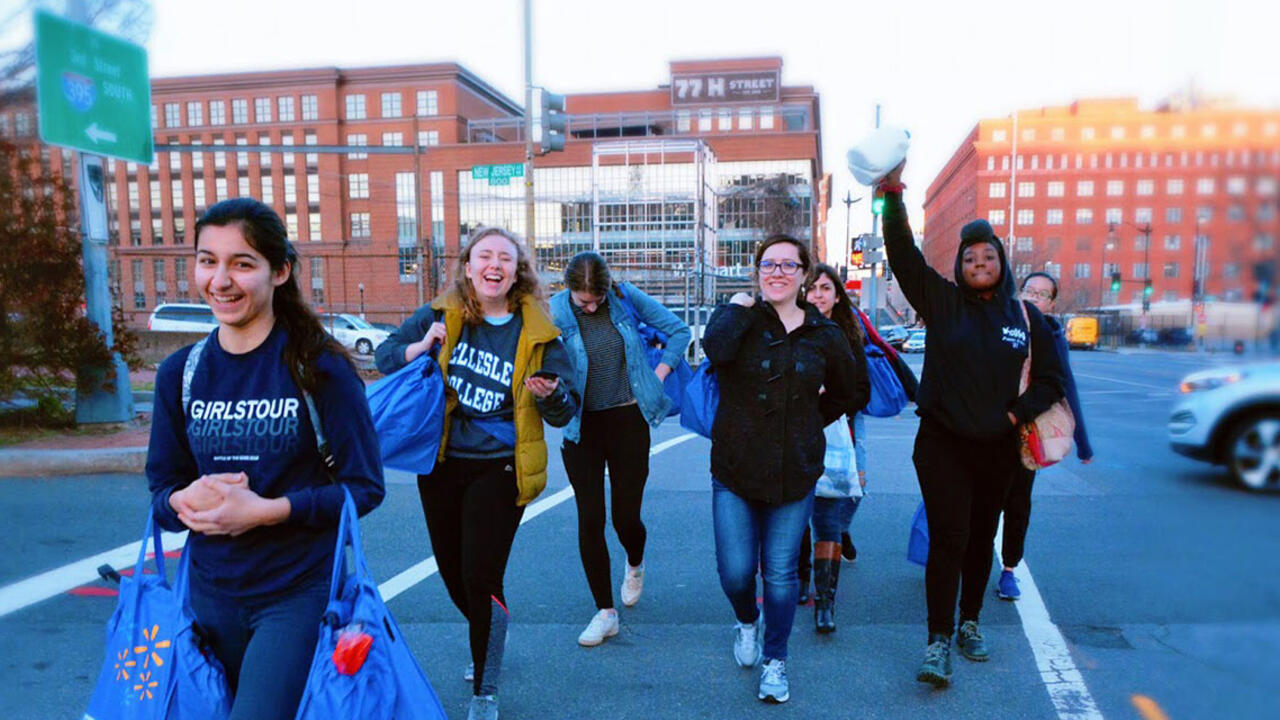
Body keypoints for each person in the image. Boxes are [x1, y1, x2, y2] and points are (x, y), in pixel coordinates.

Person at [146, 198, 386, 720]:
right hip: (207, 597)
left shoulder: (318, 367)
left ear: (279, 272)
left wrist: (267, 510)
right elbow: (161, 494)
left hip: (296, 594)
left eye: (242, 263)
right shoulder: (180, 373)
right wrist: (183, 499)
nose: (221, 279)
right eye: (208, 260)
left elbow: (365, 487)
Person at [375, 225, 578, 720]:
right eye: (483, 256)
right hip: (441, 464)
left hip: (500, 466)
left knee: (479, 574)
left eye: (504, 258)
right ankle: (489, 636)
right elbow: (383, 357)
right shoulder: (441, 315)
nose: (494, 265)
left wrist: (552, 395)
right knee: (453, 577)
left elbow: (565, 408)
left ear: (516, 272)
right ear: (468, 267)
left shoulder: (539, 332)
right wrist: (420, 346)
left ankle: (484, 691)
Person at [878, 160, 1065, 687]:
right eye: (969, 257)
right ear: (959, 266)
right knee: (950, 537)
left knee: (982, 537)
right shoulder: (943, 303)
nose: (978, 262)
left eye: (988, 256)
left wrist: (1014, 414)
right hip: (942, 445)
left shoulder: (1026, 318)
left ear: (1001, 264)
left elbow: (1051, 383)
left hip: (999, 450)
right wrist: (892, 196)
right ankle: (938, 640)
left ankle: (969, 622)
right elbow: (904, 257)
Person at [702, 235, 860, 703]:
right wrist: (734, 305)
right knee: (734, 572)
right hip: (735, 467)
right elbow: (715, 350)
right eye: (768, 264)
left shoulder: (824, 335)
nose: (777, 272)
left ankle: (776, 660)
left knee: (781, 573)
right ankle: (747, 622)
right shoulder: (741, 321)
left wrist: (810, 420)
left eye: (789, 265)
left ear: (804, 275)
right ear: (756, 272)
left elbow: (852, 391)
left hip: (795, 471)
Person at [549, 252, 691, 647]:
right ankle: (605, 612)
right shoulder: (555, 311)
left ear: (608, 288)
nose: (591, 306)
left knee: (626, 518)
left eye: (597, 299)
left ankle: (635, 561)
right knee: (590, 518)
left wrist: (658, 374)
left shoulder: (626, 298)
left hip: (628, 421)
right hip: (583, 426)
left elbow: (679, 331)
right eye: (583, 301)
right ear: (568, 290)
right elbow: (542, 359)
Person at [997, 272, 1094, 600]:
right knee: (980, 499)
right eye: (1029, 291)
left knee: (1018, 503)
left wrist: (1083, 441)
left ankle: (1009, 569)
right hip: (989, 427)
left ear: (1051, 303)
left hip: (1027, 431)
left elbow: (1065, 386)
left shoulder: (1051, 334)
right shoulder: (1002, 323)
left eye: (1042, 294)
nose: (1033, 298)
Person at [800, 263, 870, 633]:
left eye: (825, 288)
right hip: (791, 434)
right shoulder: (789, 328)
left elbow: (862, 391)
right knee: (793, 513)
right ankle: (798, 578)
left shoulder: (848, 336)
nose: (817, 295)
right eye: (811, 288)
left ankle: (825, 602)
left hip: (835, 433)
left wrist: (831, 398)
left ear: (837, 294)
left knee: (829, 514)